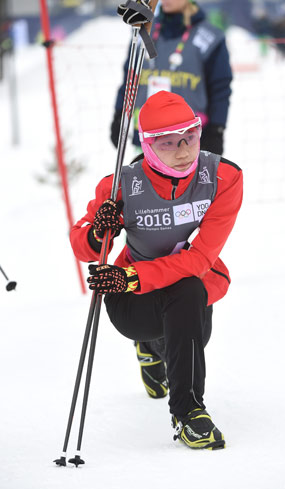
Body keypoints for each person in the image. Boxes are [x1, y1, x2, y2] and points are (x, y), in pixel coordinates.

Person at [71, 91, 243, 450]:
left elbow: (200, 259)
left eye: (189, 138)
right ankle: (188, 413)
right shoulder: (121, 184)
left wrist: (134, 276)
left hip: (163, 285)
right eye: (167, 144)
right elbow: (82, 245)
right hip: (131, 302)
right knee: (186, 304)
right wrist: (99, 230)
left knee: (191, 299)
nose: (182, 152)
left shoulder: (223, 178)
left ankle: (155, 350)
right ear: (147, 146)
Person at [110, 0, 233, 156]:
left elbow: (220, 88)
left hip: (187, 142)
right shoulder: (144, 31)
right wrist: (119, 113)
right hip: (148, 137)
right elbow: (130, 78)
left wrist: (217, 128)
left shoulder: (210, 38)